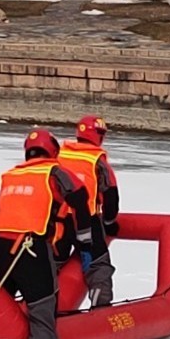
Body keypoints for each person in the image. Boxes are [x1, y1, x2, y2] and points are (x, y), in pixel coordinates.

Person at [0, 129, 96, 339]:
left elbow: (4, 204)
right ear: (53, 151)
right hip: (31, 248)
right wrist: (84, 240)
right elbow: (80, 200)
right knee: (43, 314)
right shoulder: (55, 172)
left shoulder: (11, 175)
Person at [57, 114, 120, 307]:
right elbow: (110, 197)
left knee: (52, 265)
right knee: (98, 264)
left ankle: (40, 307)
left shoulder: (59, 155)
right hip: (86, 221)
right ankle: (100, 308)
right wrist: (109, 223)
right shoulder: (97, 161)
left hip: (56, 221)